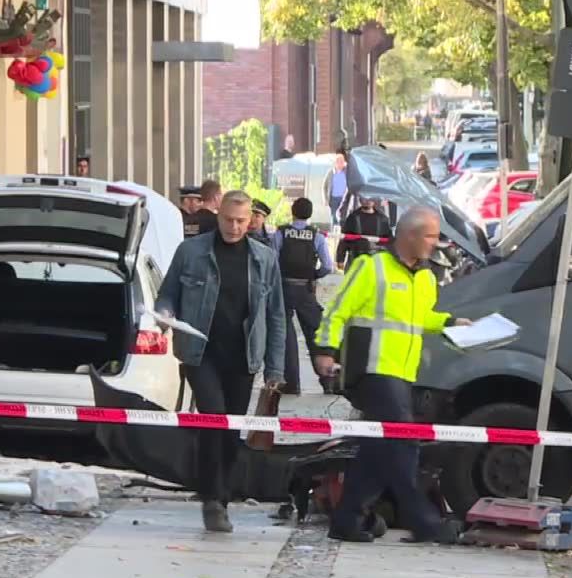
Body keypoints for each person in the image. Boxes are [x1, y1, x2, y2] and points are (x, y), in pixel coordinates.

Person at [313, 206, 469, 544]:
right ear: (409, 235)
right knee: (403, 444)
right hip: (373, 370)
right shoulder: (372, 268)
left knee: (377, 450)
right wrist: (325, 351)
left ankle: (348, 520)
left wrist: (450, 324)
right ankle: (423, 520)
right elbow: (338, 310)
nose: (435, 243)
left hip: (404, 373)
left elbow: (420, 318)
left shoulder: (426, 277)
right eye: (429, 236)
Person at [155, 190, 287, 533]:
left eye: (241, 221)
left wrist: (275, 369)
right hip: (201, 353)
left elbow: (276, 316)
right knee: (213, 419)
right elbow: (168, 292)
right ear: (219, 216)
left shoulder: (264, 258)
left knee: (230, 432)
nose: (233, 226)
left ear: (251, 220)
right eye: (228, 219)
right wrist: (165, 314)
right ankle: (214, 500)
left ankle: (219, 491)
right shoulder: (192, 252)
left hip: (243, 358)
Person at [273, 198, 334, 394]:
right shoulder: (316, 236)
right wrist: (313, 276)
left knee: (286, 336)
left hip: (283, 288)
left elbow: (272, 260)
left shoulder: (280, 233)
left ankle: (291, 384)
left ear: (293, 211)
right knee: (315, 333)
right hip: (306, 290)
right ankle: (328, 381)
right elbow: (327, 266)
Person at [336, 196, 392, 272]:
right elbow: (345, 239)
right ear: (360, 199)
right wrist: (340, 259)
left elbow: (389, 241)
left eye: (370, 198)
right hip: (356, 259)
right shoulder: (353, 217)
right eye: (365, 197)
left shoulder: (382, 219)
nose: (368, 200)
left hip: (376, 261)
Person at [329, 154, 348, 229]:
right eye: (338, 161)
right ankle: (334, 229)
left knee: (342, 214)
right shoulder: (331, 173)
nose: (340, 163)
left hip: (343, 198)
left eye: (342, 161)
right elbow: (325, 186)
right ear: (335, 163)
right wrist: (325, 199)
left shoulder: (347, 172)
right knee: (333, 214)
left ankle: (342, 228)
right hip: (334, 197)